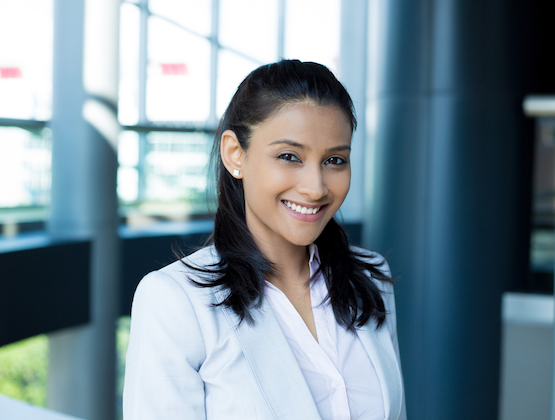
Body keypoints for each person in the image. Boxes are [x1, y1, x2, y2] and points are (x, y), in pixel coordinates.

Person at [123, 59, 406, 420]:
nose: (315, 187)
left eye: (334, 160)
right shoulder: (175, 301)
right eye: (289, 157)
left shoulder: (371, 277)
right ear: (234, 154)